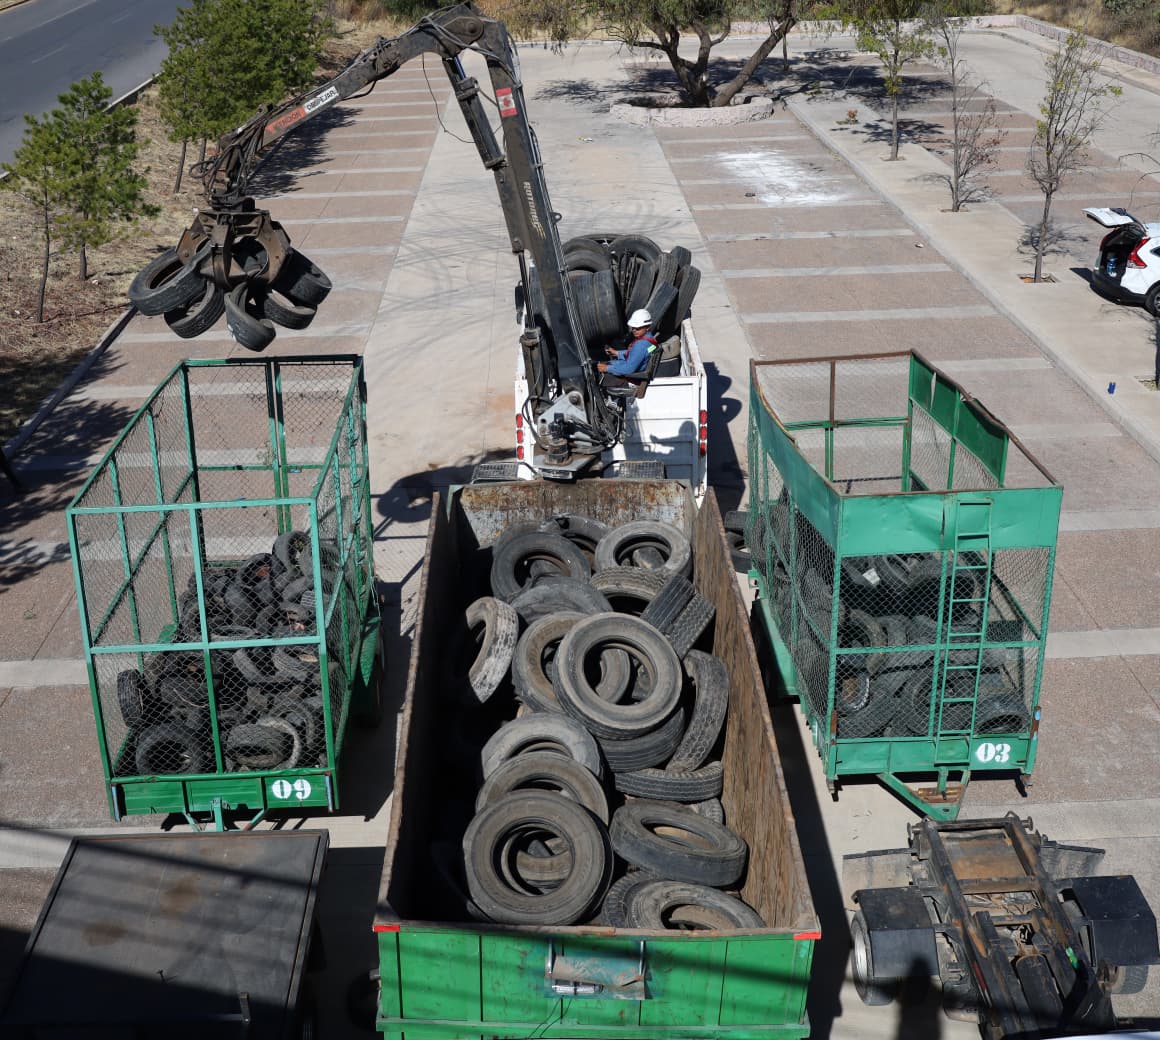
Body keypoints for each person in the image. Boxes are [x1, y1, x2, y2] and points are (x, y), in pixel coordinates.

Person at [597, 308, 657, 388]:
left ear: (647, 327)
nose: (634, 330)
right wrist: (617, 353)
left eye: (638, 328)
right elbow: (637, 354)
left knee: (597, 377)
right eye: (633, 327)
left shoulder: (641, 345)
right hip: (635, 370)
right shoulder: (650, 341)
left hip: (631, 377)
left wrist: (607, 368)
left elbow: (628, 369)